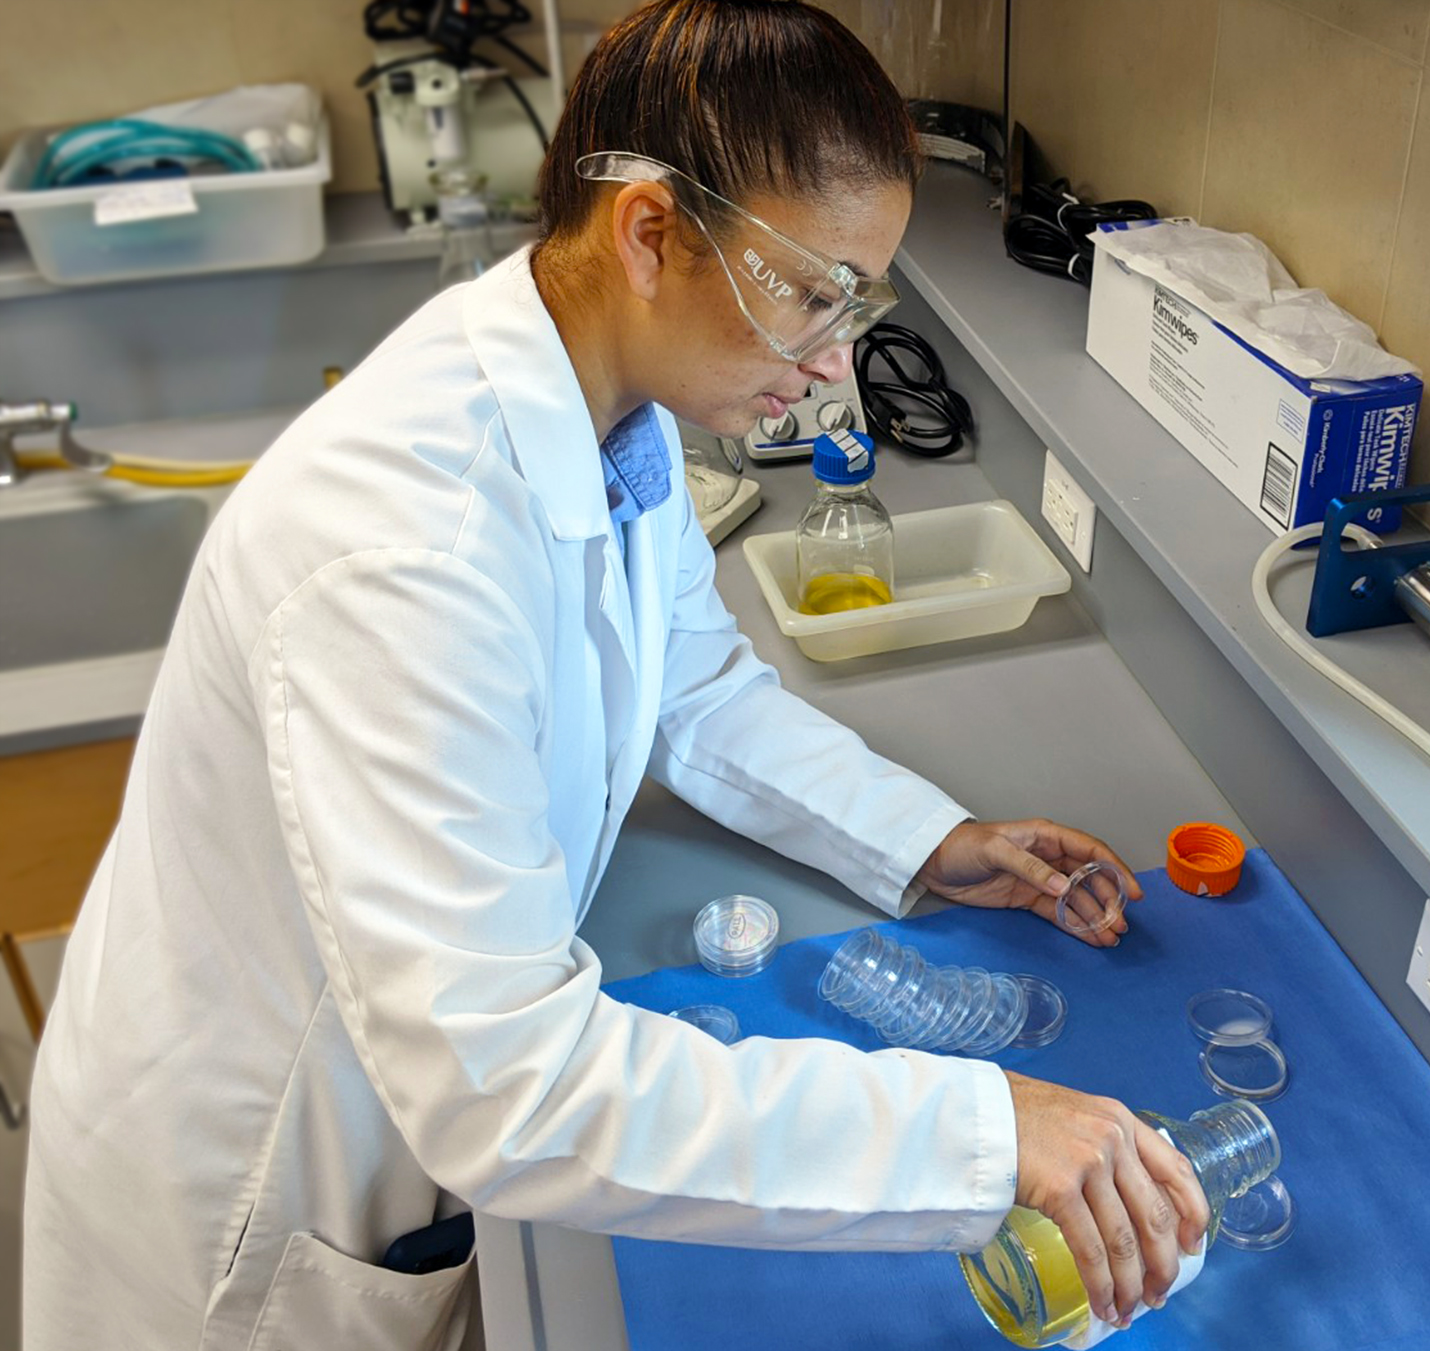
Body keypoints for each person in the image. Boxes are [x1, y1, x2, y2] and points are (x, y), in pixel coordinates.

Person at [23, 3, 1208, 1347]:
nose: (836, 362)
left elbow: (693, 687)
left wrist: (927, 839)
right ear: (648, 233)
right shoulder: (402, 552)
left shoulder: (608, 406)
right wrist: (982, 1134)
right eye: (812, 293)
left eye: (857, 301)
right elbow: (505, 1087)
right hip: (252, 1195)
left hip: (389, 1097)